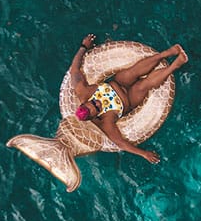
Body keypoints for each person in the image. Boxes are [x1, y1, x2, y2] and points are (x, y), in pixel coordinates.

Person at [69, 34, 188, 164]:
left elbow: (74, 69)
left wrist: (83, 46)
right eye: (97, 108)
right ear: (95, 116)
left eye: (92, 102)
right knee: (143, 85)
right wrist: (143, 154)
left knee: (131, 72)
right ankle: (174, 66)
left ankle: (165, 54)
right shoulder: (105, 122)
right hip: (130, 99)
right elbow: (121, 143)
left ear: (86, 102)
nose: (97, 103)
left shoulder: (82, 91)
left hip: (119, 82)